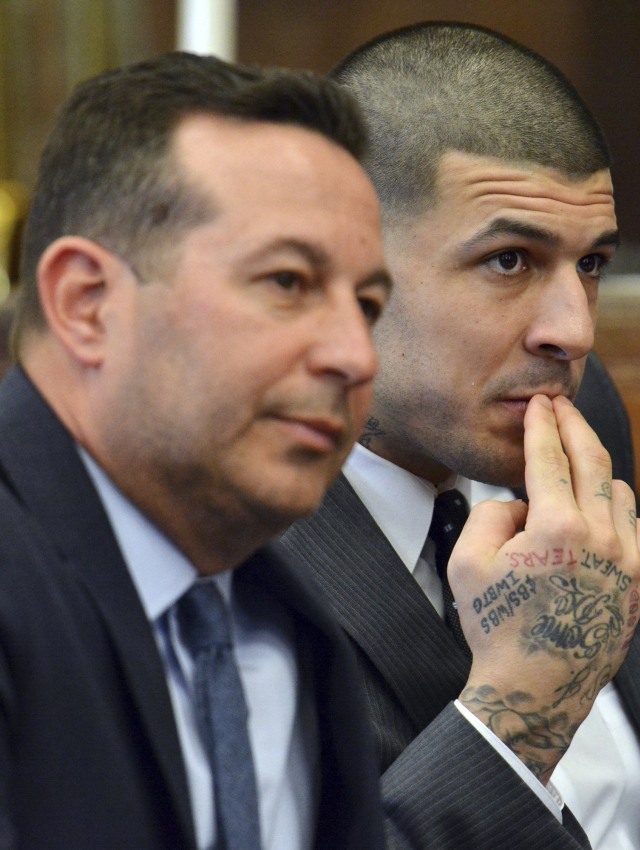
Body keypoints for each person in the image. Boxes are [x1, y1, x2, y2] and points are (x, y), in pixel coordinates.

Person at [279, 22, 640, 849]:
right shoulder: (232, 517)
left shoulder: (573, 414)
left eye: (592, 264)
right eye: (510, 261)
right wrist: (525, 713)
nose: (573, 330)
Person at [0, 51, 394, 850]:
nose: (355, 355)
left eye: (369, 305)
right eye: (288, 281)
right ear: (87, 304)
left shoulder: (296, 631)